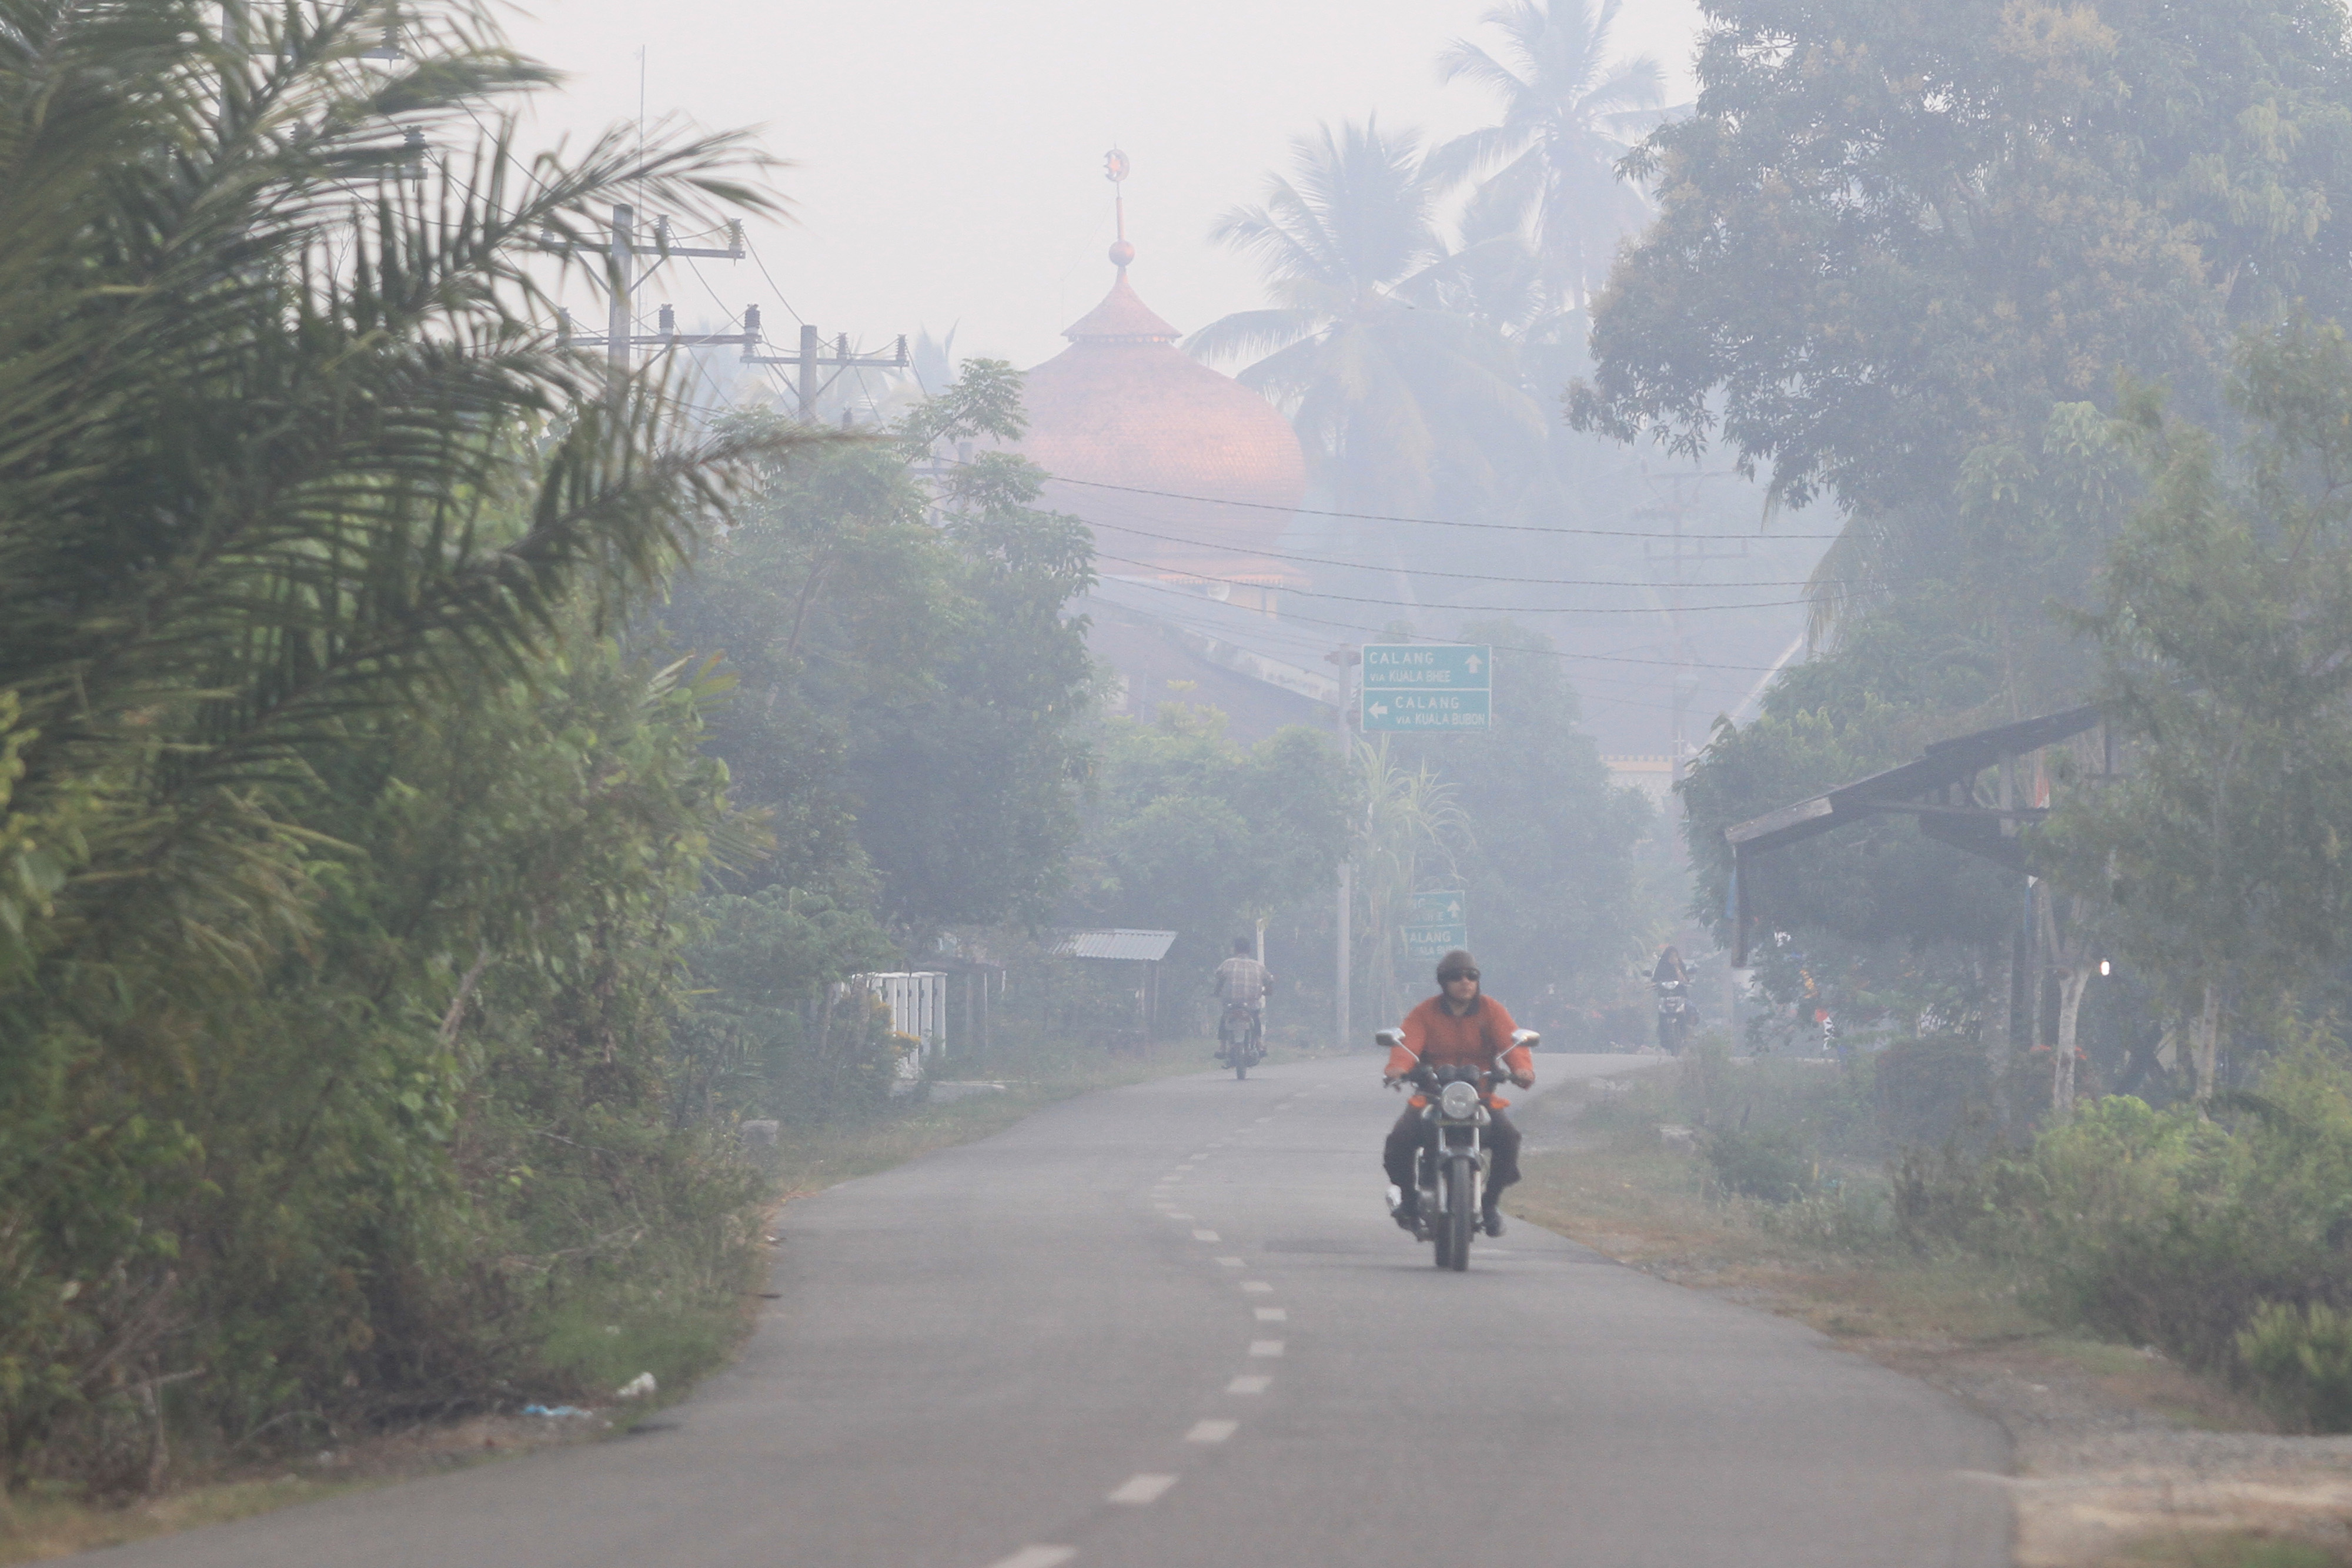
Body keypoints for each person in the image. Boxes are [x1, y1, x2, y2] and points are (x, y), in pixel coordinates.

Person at [1382, 950, 1532, 1237]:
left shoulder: (1492, 1011)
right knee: (1399, 1140)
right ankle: (1410, 1201)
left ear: (1478, 980)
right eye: (1456, 977)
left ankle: (1490, 1204)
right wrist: (1398, 1068)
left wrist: (1522, 1070)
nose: (1465, 982)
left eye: (1471, 976)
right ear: (1443, 982)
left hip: (1480, 1098)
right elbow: (1406, 1044)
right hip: (1433, 1098)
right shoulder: (1424, 1012)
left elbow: (1514, 1044)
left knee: (1509, 1138)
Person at [1212, 937, 1270, 1057]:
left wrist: (1217, 993)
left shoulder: (1227, 964)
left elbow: (1219, 980)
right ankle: (1259, 1044)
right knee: (1255, 1017)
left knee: (1224, 1019)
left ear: (1235, 950)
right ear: (1249, 950)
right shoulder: (1259, 966)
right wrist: (1267, 992)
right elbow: (1269, 981)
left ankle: (1222, 1047)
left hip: (1231, 1005)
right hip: (1251, 1005)